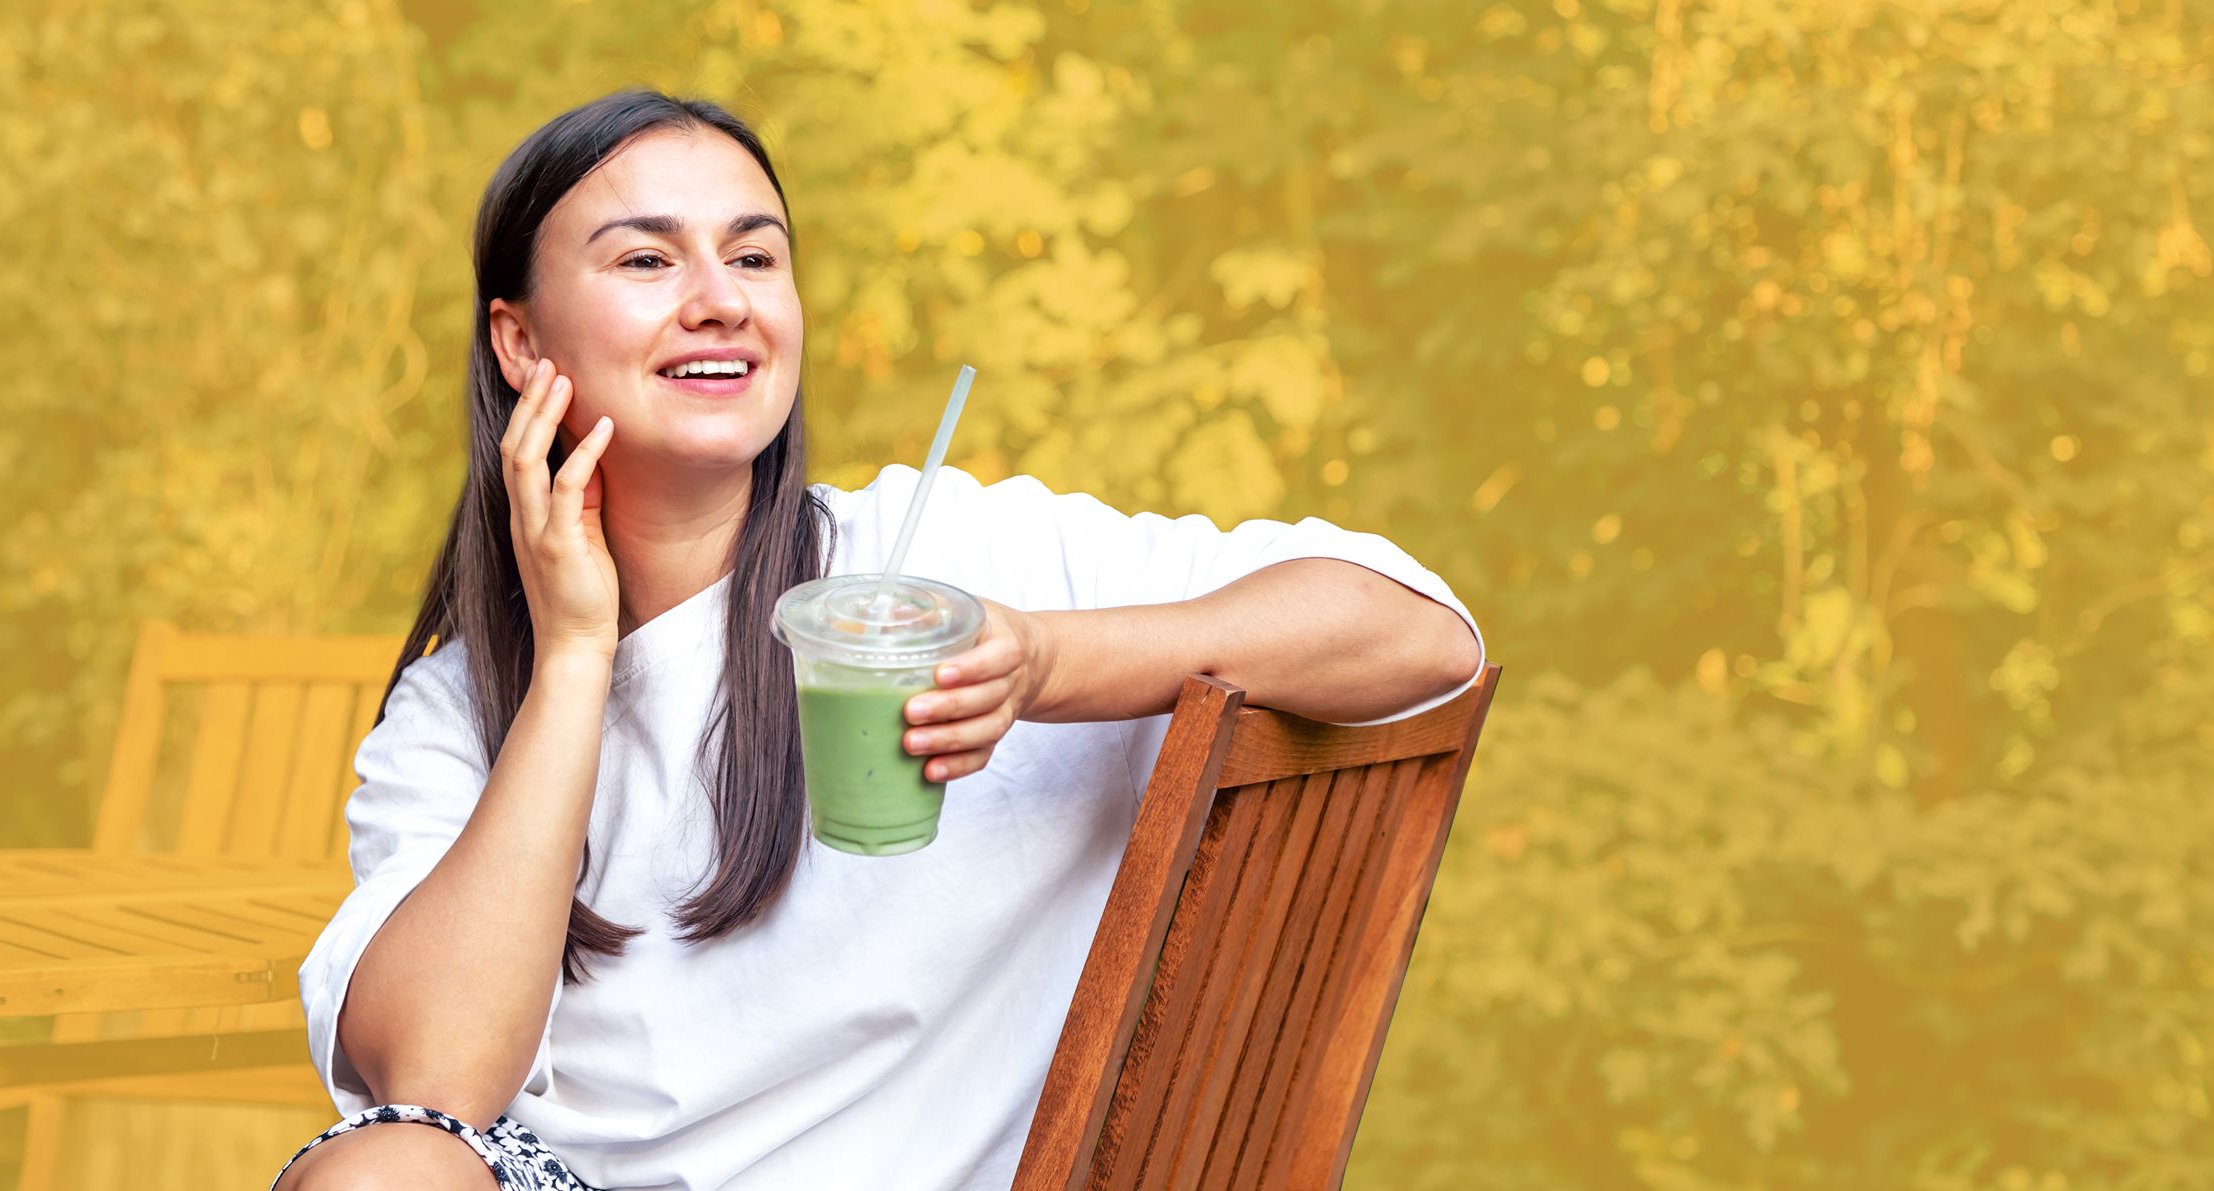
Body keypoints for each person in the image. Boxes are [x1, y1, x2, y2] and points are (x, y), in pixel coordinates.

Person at [269, 89, 1484, 1191]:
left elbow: (1418, 635)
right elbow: (433, 1092)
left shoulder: (947, 563)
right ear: (522, 343)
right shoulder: (458, 708)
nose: (721, 299)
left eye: (756, 256)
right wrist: (578, 653)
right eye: (647, 257)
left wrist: (1049, 663)